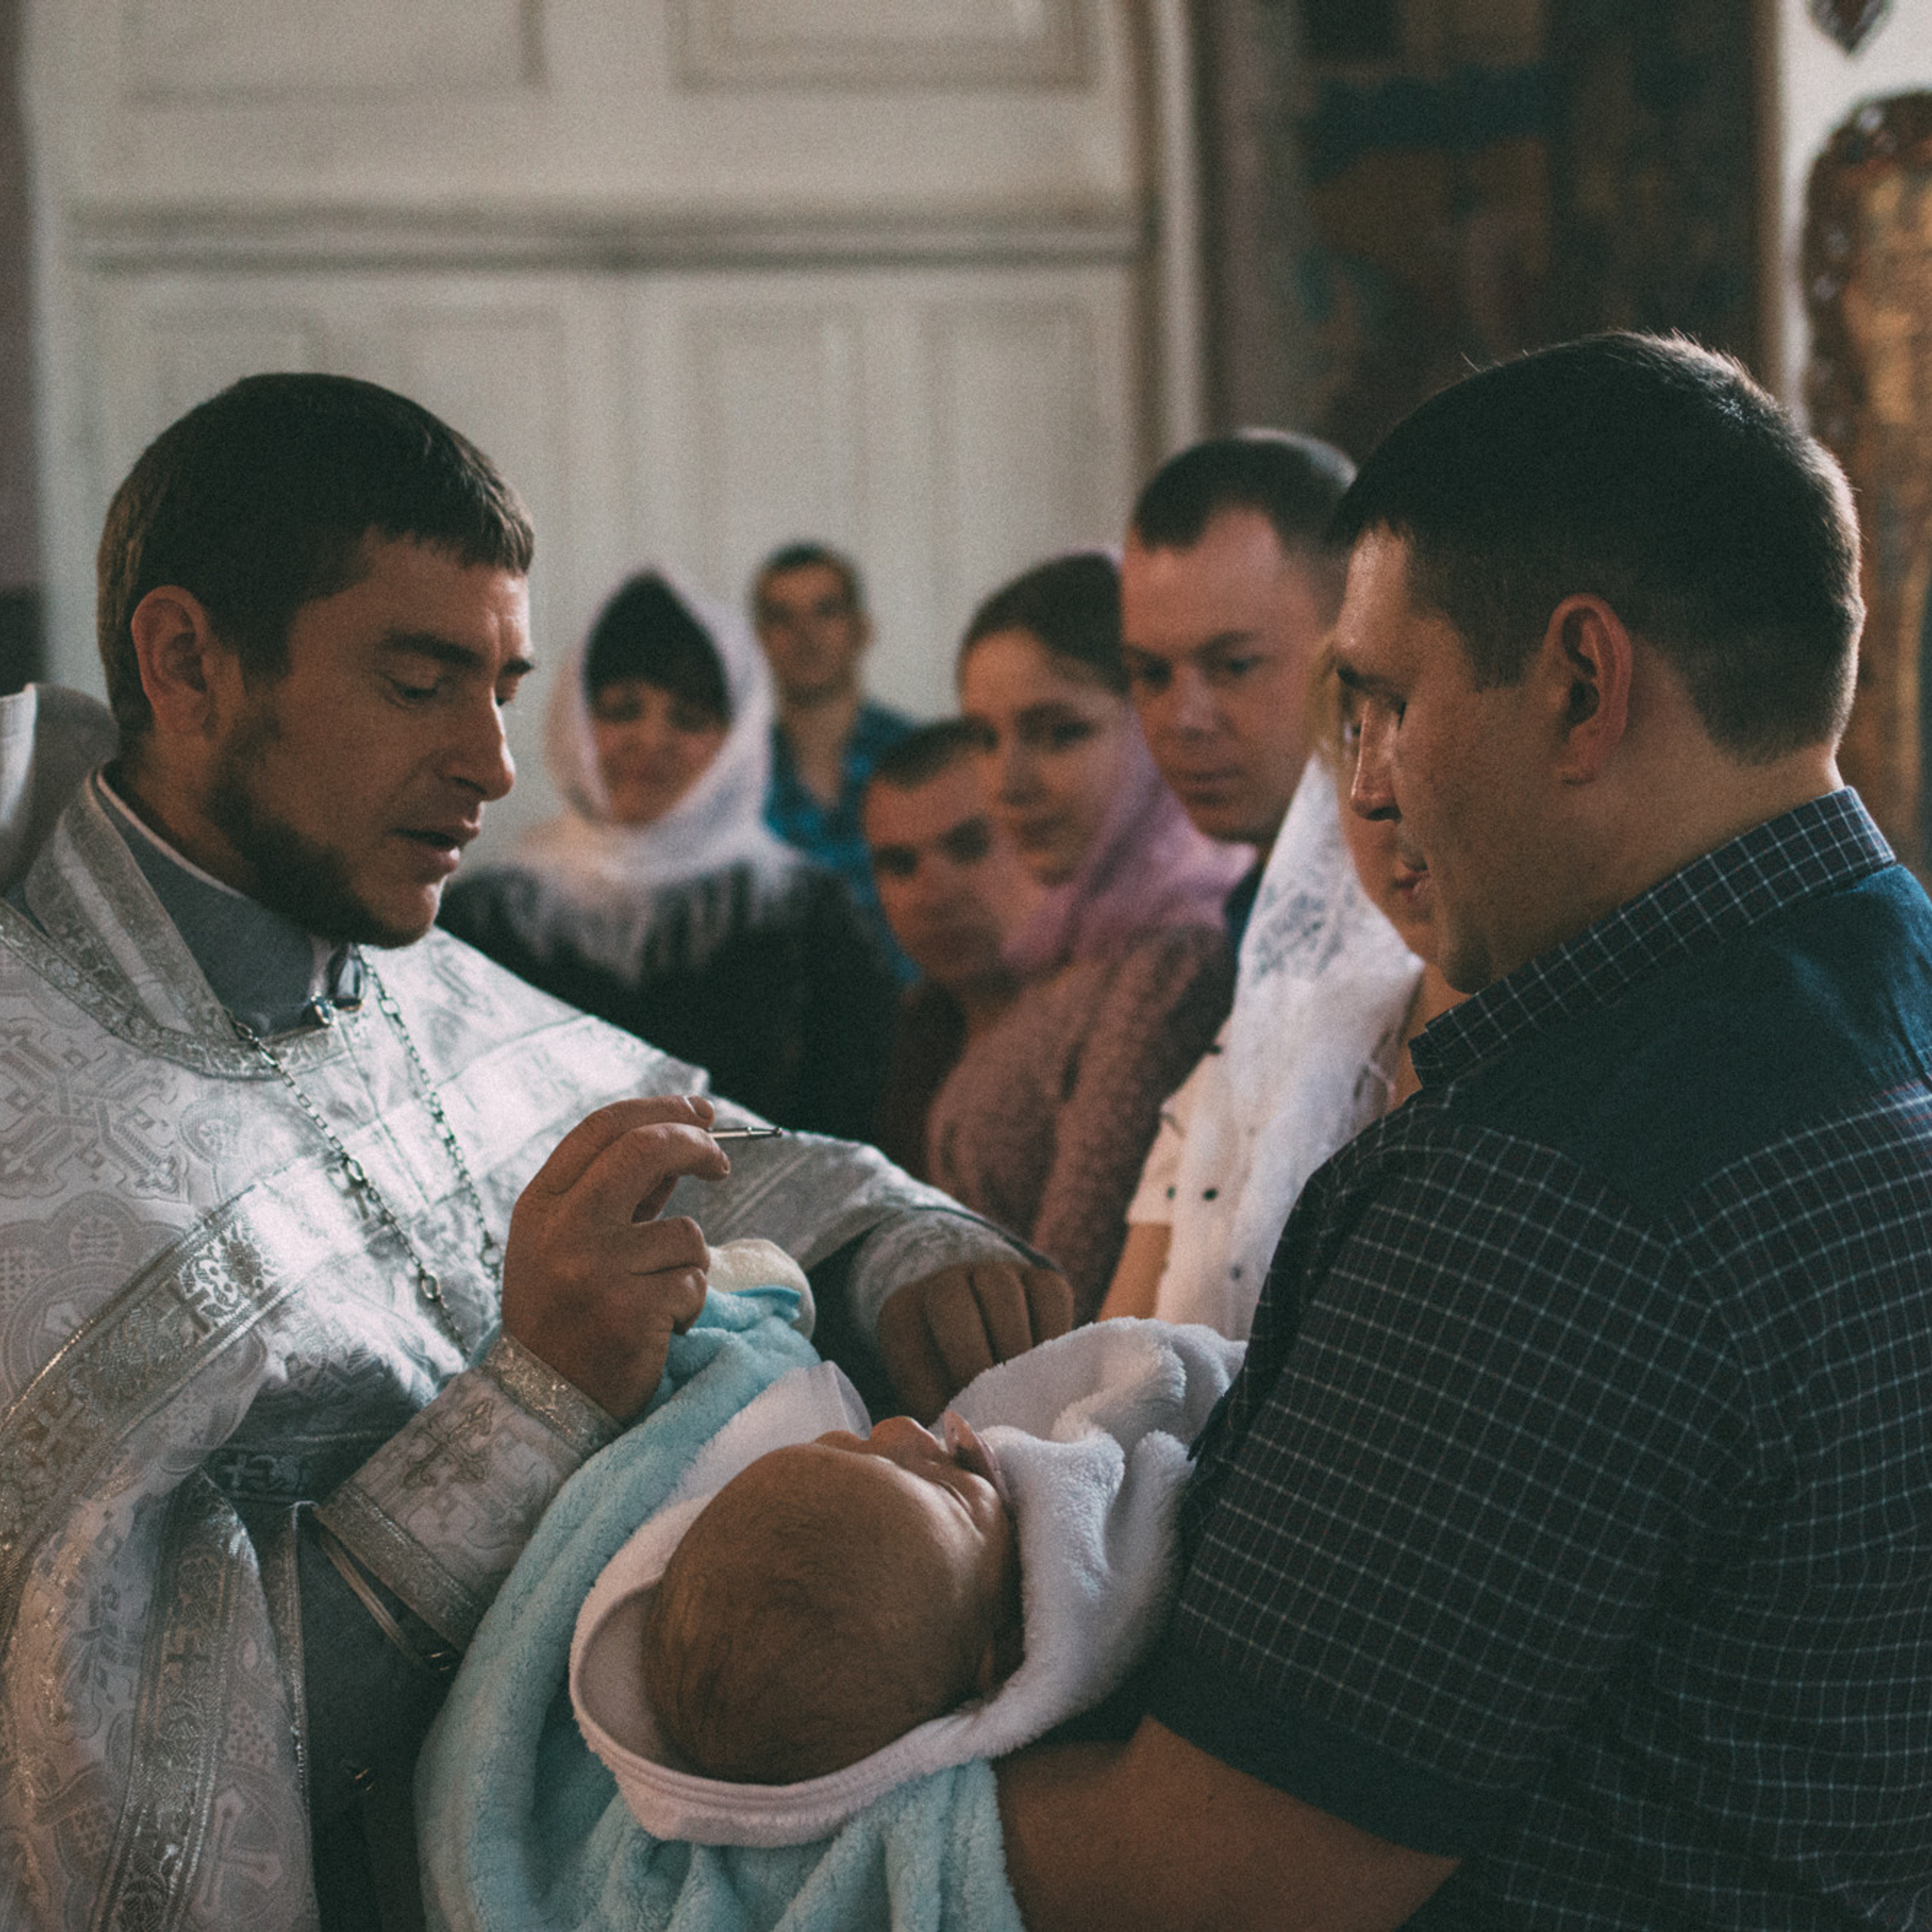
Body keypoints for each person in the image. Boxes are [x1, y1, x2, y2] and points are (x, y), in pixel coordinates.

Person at [0, 371, 1068, 1932]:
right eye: (421, 680)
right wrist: (537, 1399)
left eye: (503, 683)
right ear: (186, 660)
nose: (497, 764)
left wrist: (900, 1241)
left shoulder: (390, 959)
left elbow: (709, 1150)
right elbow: (119, 1779)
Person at [995, 334, 1932, 1930]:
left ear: (1578, 682)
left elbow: (1201, 1875)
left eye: (1383, 698)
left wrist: (810, 1786)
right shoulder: (1886, 982)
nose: (1364, 783)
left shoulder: (1555, 1183)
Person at [560, 1309, 1241, 1857]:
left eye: (847, 1443)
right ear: (995, 1661)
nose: (901, 1428)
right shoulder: (1090, 1615)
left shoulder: (951, 1581)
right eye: (947, 1492)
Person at [440, 571, 896, 1138]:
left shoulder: (812, 915)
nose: (651, 740)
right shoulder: (486, 917)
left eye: (689, 719)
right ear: (577, 719)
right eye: (623, 708)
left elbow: (848, 1126)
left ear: (736, 740)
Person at [919, 552, 1244, 1344]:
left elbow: (1060, 1289)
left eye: (1059, 732)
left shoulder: (1169, 962)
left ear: (1150, 725)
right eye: (984, 739)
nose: (1007, 780)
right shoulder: (1074, 934)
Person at [1100, 646, 1463, 1334]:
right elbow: (1112, 1356)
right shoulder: (1263, 1045)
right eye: (1357, 736)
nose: (1377, 795)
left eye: (1415, 727)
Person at [1103, 431, 1365, 1329]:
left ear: (1354, 639)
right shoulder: (1249, 910)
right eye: (1149, 673)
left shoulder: (1417, 924)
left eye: (1233, 665)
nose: (1182, 717)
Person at [863, 720, 1038, 1180]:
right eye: (900, 865)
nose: (932, 893)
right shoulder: (906, 1029)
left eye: (969, 847)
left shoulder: (1100, 1021)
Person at [752, 541, 915, 977]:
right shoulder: (737, 780)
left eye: (826, 611)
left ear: (862, 629)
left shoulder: (915, 758)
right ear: (760, 639)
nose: (806, 633)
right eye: (782, 617)